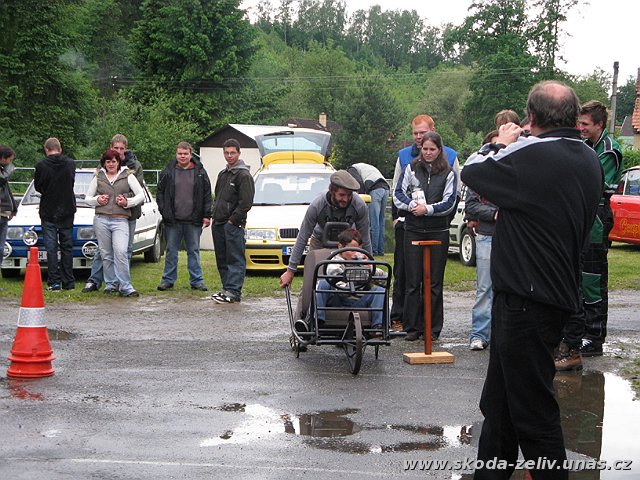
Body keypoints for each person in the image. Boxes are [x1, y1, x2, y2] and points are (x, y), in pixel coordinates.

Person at [461, 80, 603, 479]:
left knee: (533, 413)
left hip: (525, 298)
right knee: (500, 408)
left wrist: (501, 142)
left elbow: (472, 171)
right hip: (553, 293)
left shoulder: (531, 153)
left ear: (531, 117)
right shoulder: (588, 157)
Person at [555, 100, 623, 363]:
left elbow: (593, 182)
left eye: (585, 124)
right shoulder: (585, 146)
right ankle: (579, 331)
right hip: (582, 215)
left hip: (597, 216)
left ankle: (594, 335)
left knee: (593, 278)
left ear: (599, 124)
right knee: (580, 277)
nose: (580, 128)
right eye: (578, 123)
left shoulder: (609, 150)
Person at [389, 115, 459, 331]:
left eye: (432, 149)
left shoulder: (449, 169)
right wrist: (410, 208)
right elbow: (397, 193)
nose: (427, 152)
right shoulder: (408, 165)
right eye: (424, 148)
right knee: (410, 280)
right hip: (412, 227)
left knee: (434, 283)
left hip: (438, 229)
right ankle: (409, 326)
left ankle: (432, 328)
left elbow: (451, 200)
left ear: (439, 149)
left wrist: (428, 210)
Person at [279, 170, 371, 289]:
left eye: (349, 195)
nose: (346, 199)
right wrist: (290, 270)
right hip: (319, 242)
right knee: (313, 281)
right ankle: (308, 300)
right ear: (332, 191)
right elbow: (303, 236)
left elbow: (365, 237)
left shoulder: (359, 206)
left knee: (351, 279)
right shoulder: (317, 205)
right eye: (342, 195)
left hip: (347, 245)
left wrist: (370, 263)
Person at [83, 134, 144, 293]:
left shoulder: (133, 168)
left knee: (123, 251)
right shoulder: (100, 172)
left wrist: (126, 200)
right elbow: (89, 197)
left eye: (121, 149)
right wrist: (97, 200)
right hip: (102, 217)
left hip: (126, 216)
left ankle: (125, 285)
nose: (118, 151)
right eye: (115, 148)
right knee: (104, 252)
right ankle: (104, 282)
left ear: (125, 149)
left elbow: (139, 191)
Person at [296, 228, 387, 334]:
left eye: (358, 250)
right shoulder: (334, 262)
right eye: (351, 250)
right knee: (322, 284)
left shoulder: (364, 262)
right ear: (340, 247)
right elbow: (334, 274)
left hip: (359, 300)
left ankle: (379, 327)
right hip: (338, 299)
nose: (355, 254)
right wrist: (354, 279)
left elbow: (385, 280)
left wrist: (370, 269)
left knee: (380, 291)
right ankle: (315, 321)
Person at [465, 128, 502, 351]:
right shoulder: (479, 175)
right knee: (484, 288)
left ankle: (501, 335)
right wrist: (494, 213)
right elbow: (471, 205)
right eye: (494, 146)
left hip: (511, 237)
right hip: (487, 235)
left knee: (508, 289)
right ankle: (479, 334)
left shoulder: (511, 171)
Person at [156, 142, 212, 291]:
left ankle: (197, 280)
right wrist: (164, 210)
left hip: (194, 220)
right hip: (172, 220)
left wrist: (207, 215)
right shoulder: (168, 171)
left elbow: (207, 194)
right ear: (176, 154)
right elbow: (160, 192)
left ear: (190, 154)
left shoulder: (200, 172)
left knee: (193, 251)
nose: (182, 156)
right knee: (171, 251)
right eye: (180, 153)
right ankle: (168, 280)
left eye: (185, 154)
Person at [211, 139, 255, 304]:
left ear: (239, 153)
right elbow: (217, 197)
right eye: (226, 153)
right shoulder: (223, 174)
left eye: (232, 153)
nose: (229, 156)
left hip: (233, 224)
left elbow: (246, 203)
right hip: (218, 222)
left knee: (235, 258)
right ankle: (226, 289)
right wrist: (214, 215)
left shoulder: (243, 175)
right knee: (222, 258)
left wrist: (233, 221)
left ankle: (234, 291)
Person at [34, 138, 76, 291]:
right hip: (67, 208)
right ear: (60, 149)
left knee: (51, 247)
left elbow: (38, 186)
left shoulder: (41, 165)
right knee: (67, 247)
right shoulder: (70, 163)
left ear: (46, 149)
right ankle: (68, 281)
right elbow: (71, 181)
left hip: (48, 209)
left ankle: (54, 281)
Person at [346, 163, 389, 256]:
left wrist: (359, 200)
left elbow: (359, 184)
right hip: (386, 189)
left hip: (375, 189)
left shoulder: (351, 169)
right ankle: (380, 251)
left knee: (373, 223)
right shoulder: (363, 166)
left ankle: (373, 251)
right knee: (381, 222)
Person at [0, 146, 18, 261]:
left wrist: (13, 208)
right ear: (2, 158)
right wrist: (9, 168)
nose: (10, 164)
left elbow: (7, 192)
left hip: (3, 213)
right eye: (10, 160)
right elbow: (2, 179)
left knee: (1, 248)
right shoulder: (3, 174)